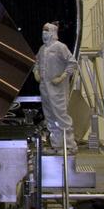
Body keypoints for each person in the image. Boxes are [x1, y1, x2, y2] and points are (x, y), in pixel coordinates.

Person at [34, 22, 78, 154]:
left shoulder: (60, 47)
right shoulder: (42, 49)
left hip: (58, 89)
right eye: (43, 31)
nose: (44, 34)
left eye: (47, 31)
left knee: (61, 115)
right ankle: (57, 145)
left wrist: (62, 77)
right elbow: (36, 62)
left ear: (53, 32)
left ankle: (69, 145)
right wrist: (36, 72)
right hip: (45, 88)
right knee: (50, 116)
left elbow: (72, 63)